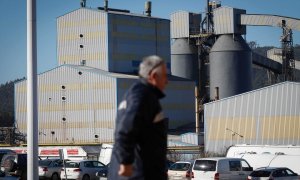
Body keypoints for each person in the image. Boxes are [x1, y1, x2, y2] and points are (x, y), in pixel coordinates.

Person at [108, 55, 169, 180]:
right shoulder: (143, 96)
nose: (167, 81)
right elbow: (125, 130)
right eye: (164, 76)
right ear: (153, 76)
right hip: (138, 173)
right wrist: (126, 162)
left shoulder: (136, 93)